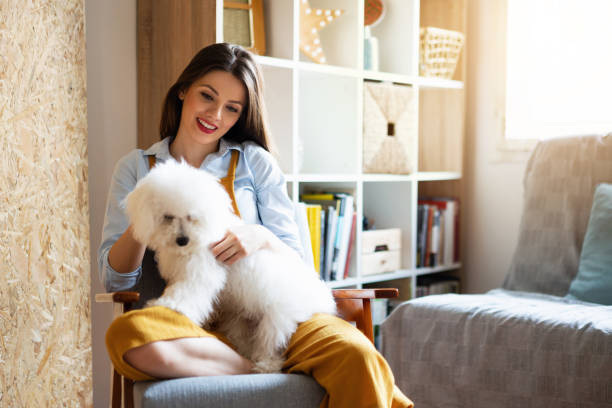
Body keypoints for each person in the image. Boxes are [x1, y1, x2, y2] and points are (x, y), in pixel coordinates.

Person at [100, 42, 413, 408]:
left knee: (356, 353)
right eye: (207, 96)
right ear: (183, 89)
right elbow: (116, 280)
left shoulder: (254, 163)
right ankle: (251, 369)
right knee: (128, 335)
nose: (215, 115)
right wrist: (147, 215)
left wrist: (261, 236)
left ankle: (266, 361)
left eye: (232, 108)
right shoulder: (137, 168)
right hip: (197, 334)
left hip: (277, 317)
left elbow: (298, 262)